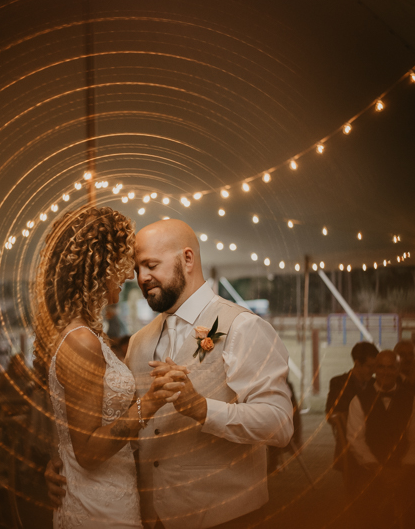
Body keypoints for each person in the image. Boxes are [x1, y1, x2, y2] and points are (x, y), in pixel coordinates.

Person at [46, 218, 294, 529]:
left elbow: (280, 423)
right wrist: (66, 462)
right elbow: (123, 427)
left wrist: (203, 409)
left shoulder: (243, 326)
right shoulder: (139, 341)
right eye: (137, 269)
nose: (140, 277)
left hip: (227, 517)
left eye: (150, 265)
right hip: (150, 518)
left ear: (187, 259)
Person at [34, 207, 185, 529]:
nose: (131, 275)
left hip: (108, 494)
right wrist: (151, 401)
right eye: (122, 263)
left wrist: (59, 459)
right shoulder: (81, 342)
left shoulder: (86, 335)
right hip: (98, 509)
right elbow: (87, 452)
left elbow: (69, 430)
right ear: (98, 265)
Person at [346, 350, 415, 529]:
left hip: (404, 467)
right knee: (367, 502)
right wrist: (381, 471)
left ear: (398, 370)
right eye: (381, 367)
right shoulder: (358, 400)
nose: (386, 372)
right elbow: (356, 442)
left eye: (391, 367)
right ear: (375, 369)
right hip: (371, 469)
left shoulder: (411, 400)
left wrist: (402, 471)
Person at [325, 341, 379, 417]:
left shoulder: (375, 383)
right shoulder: (339, 383)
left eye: (375, 366)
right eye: (369, 366)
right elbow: (333, 414)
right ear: (357, 363)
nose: (374, 371)